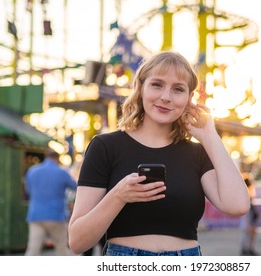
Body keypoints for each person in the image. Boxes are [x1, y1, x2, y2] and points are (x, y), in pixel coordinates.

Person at [68, 50, 250, 256]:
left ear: (189, 99)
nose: (166, 97)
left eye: (178, 89)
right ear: (141, 88)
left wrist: (210, 136)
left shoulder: (198, 153)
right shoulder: (105, 147)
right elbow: (77, 241)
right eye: (157, 85)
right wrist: (118, 196)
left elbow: (238, 205)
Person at [24, 149, 77, 256]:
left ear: (46, 157)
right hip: (56, 216)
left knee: (33, 250)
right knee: (61, 249)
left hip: (36, 215)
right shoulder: (62, 172)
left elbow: (28, 190)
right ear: (57, 159)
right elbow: (75, 187)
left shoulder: (32, 171)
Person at [239, 173, 259, 256]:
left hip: (248, 217)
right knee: (247, 234)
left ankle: (246, 249)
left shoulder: (244, 193)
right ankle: (247, 249)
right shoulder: (246, 193)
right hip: (248, 216)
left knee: (247, 235)